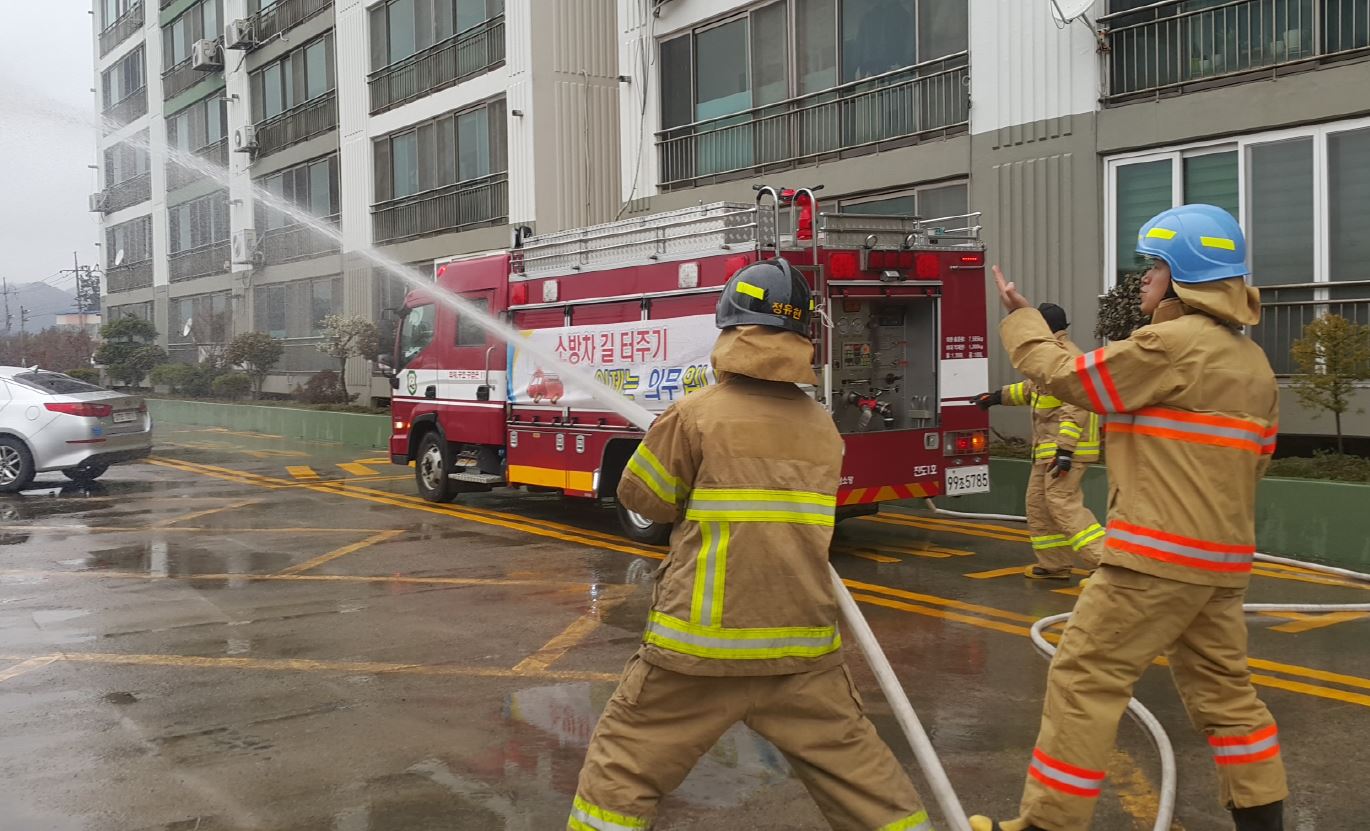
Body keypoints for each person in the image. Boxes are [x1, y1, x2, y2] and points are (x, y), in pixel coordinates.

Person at [568, 258, 932, 831]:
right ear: (801, 338)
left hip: (697, 653)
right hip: (801, 654)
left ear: (731, 329)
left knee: (622, 773)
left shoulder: (695, 415)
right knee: (868, 788)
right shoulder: (822, 427)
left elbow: (644, 500)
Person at [970, 205, 1286, 831]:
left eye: (1155, 266)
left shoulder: (1169, 345)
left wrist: (1024, 319)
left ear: (1184, 278)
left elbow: (1066, 377)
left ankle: (1048, 824)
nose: (1143, 278)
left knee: (1085, 675)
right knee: (1227, 696)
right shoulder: (1254, 365)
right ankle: (1262, 820)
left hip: (1152, 561)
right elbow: (1259, 461)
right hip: (1221, 566)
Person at [972, 303, 1103, 579]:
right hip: (1048, 451)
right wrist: (996, 397)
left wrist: (1065, 450)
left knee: (1062, 504)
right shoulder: (1051, 355)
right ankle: (1054, 564)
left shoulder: (1067, 357)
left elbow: (1075, 408)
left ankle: (1105, 565)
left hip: (1064, 452)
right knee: (1039, 506)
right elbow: (1033, 389)